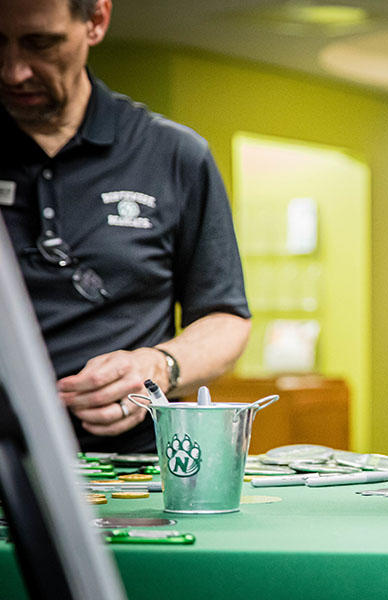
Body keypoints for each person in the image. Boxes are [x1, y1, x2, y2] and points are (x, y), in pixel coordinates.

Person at [0, 0, 251, 452]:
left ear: (95, 21)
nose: (13, 71)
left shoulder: (174, 154)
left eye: (41, 43)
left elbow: (225, 319)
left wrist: (162, 365)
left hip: (129, 471)